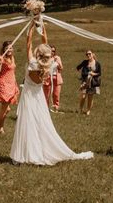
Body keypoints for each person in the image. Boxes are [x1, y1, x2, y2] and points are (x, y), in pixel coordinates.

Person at [10, 23, 93, 165]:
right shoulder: (50, 65)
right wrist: (42, 27)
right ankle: (36, 151)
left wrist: (31, 26)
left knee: (26, 123)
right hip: (39, 98)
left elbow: (28, 43)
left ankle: (23, 155)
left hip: (29, 97)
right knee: (40, 123)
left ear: (38, 54)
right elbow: (45, 44)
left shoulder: (32, 63)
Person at [0, 40, 19, 136]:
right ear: (4, 49)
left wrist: (15, 84)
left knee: (6, 109)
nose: (9, 50)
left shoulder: (12, 57)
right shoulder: (1, 58)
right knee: (4, 109)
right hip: (3, 84)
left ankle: (1, 128)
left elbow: (12, 72)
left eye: (10, 48)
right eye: (7, 48)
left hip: (11, 84)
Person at [75, 50, 101, 115]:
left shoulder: (97, 63)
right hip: (84, 82)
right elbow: (78, 67)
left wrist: (93, 74)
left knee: (90, 97)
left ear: (93, 54)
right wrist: (81, 75)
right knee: (83, 96)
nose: (88, 55)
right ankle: (80, 109)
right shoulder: (85, 62)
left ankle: (88, 110)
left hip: (93, 82)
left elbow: (99, 73)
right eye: (87, 54)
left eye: (89, 54)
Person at [43, 45, 63, 112]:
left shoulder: (57, 58)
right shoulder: (45, 58)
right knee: (47, 94)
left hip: (56, 77)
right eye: (51, 51)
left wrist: (58, 62)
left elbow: (61, 68)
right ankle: (46, 108)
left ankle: (56, 107)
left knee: (56, 94)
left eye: (54, 51)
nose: (52, 52)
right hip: (47, 78)